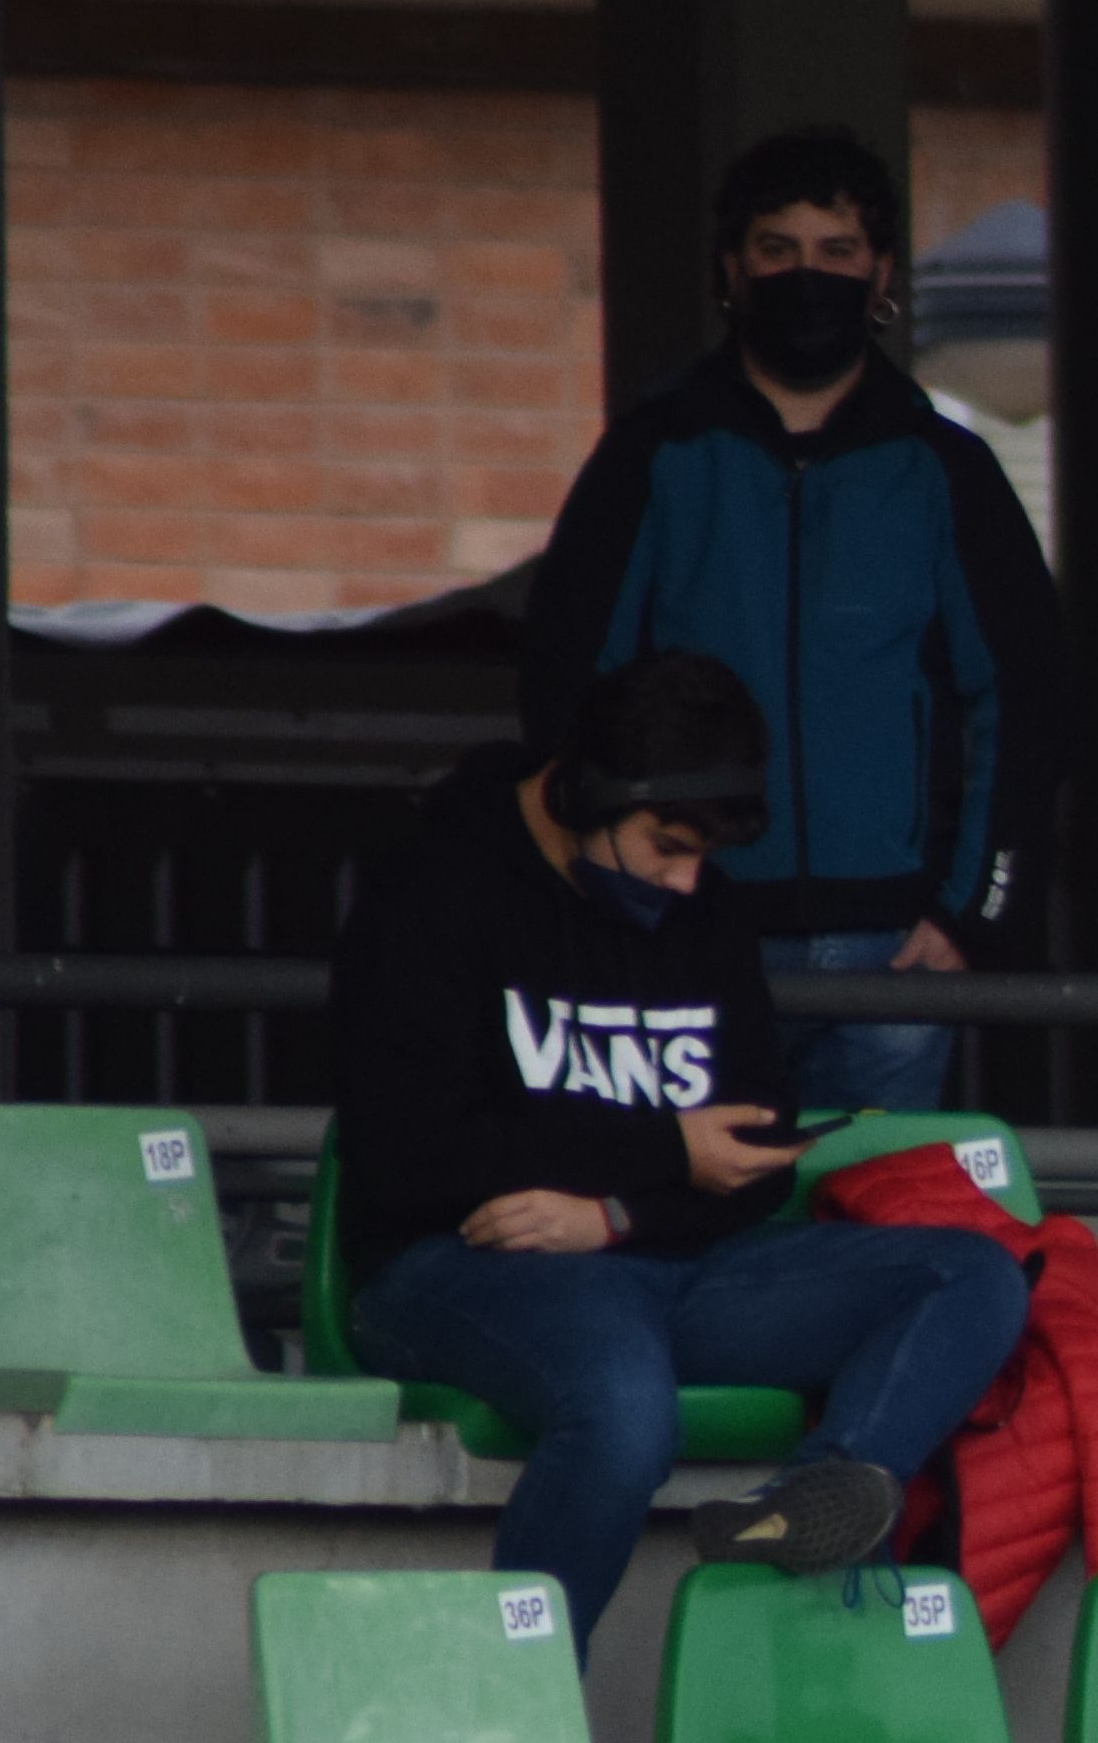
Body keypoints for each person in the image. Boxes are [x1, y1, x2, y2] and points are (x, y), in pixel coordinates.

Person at [326, 646, 1032, 1645]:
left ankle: (811, 1498)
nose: (687, 878)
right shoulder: (434, 891)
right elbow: (410, 1155)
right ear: (579, 792)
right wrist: (658, 1148)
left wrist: (619, 1212)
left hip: (662, 1260)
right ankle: (517, 1734)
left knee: (974, 1278)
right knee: (623, 1407)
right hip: (457, 1266)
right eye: (665, 844)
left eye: (703, 852)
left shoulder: (704, 910)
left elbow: (752, 1146)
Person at [519, 123, 1062, 1119]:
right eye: (778, 250)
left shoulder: (944, 474)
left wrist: (971, 914)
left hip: (894, 948)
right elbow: (567, 686)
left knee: (878, 1240)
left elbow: (1020, 699)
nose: (807, 276)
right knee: (702, 1236)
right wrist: (612, 894)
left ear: (882, 272)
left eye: (836, 252)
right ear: (732, 269)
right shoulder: (656, 457)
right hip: (689, 928)